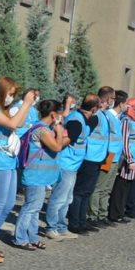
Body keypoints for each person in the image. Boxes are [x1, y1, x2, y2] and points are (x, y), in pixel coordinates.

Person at [0, 77, 37, 262]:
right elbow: (13, 124)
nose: (12, 97)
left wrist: (25, 105)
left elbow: (17, 123)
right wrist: (27, 103)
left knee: (9, 204)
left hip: (9, 160)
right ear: (1, 92)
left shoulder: (3, 110)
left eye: (14, 95)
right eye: (10, 94)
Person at [13, 100, 66, 249]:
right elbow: (56, 147)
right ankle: (20, 238)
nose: (61, 116)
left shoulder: (43, 128)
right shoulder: (42, 130)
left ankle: (33, 237)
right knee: (30, 207)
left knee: (35, 208)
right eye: (60, 113)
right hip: (35, 175)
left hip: (40, 175)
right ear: (53, 114)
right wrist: (59, 131)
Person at [45, 92, 89, 240]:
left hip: (73, 165)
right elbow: (64, 140)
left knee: (67, 199)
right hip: (66, 164)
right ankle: (52, 228)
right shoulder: (76, 120)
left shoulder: (78, 118)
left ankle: (61, 227)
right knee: (59, 198)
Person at [87, 89, 126, 227]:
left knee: (107, 188)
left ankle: (102, 215)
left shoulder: (114, 117)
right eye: (113, 98)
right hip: (107, 155)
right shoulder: (105, 115)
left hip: (114, 155)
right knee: (99, 187)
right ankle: (93, 215)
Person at [66, 92, 104, 235]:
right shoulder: (77, 119)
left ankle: (82, 221)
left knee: (86, 192)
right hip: (76, 160)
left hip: (85, 158)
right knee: (78, 193)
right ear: (94, 108)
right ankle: (74, 223)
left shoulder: (86, 119)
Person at [108, 98, 135, 223]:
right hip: (127, 159)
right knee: (120, 187)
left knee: (126, 187)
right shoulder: (126, 121)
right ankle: (114, 213)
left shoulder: (134, 121)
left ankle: (120, 212)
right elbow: (125, 141)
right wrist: (130, 159)